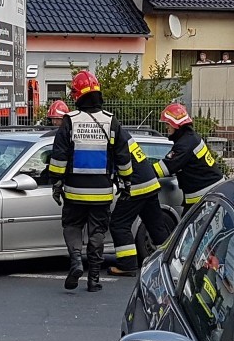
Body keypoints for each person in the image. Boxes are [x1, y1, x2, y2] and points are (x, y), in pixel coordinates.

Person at [48, 71, 119, 292]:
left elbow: (58, 157)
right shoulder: (111, 121)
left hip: (74, 191)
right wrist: (125, 182)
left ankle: (76, 261)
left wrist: (56, 183)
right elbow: (123, 157)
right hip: (102, 192)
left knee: (72, 225)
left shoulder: (69, 122)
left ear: (76, 95)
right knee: (97, 231)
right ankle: (94, 279)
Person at [108, 131, 170, 275]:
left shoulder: (110, 135)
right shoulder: (121, 133)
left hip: (136, 186)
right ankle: (168, 260)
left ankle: (127, 265)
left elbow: (119, 163)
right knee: (156, 225)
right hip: (150, 183)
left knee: (119, 224)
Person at [153, 103, 224, 212]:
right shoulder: (189, 138)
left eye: (168, 123)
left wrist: (143, 173)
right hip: (207, 194)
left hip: (206, 197)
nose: (166, 127)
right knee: (187, 227)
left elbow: (164, 168)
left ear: (175, 124)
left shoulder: (185, 144)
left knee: (190, 228)